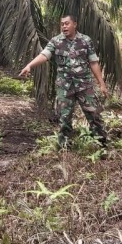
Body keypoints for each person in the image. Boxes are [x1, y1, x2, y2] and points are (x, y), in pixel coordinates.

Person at [19, 14, 109, 149]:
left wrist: (101, 84)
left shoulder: (85, 40)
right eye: (62, 24)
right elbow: (44, 55)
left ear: (75, 24)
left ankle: (101, 145)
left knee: (94, 115)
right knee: (64, 118)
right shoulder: (56, 41)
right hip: (64, 87)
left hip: (84, 85)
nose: (64, 26)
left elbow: (93, 62)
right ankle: (64, 148)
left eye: (67, 23)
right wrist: (29, 65)